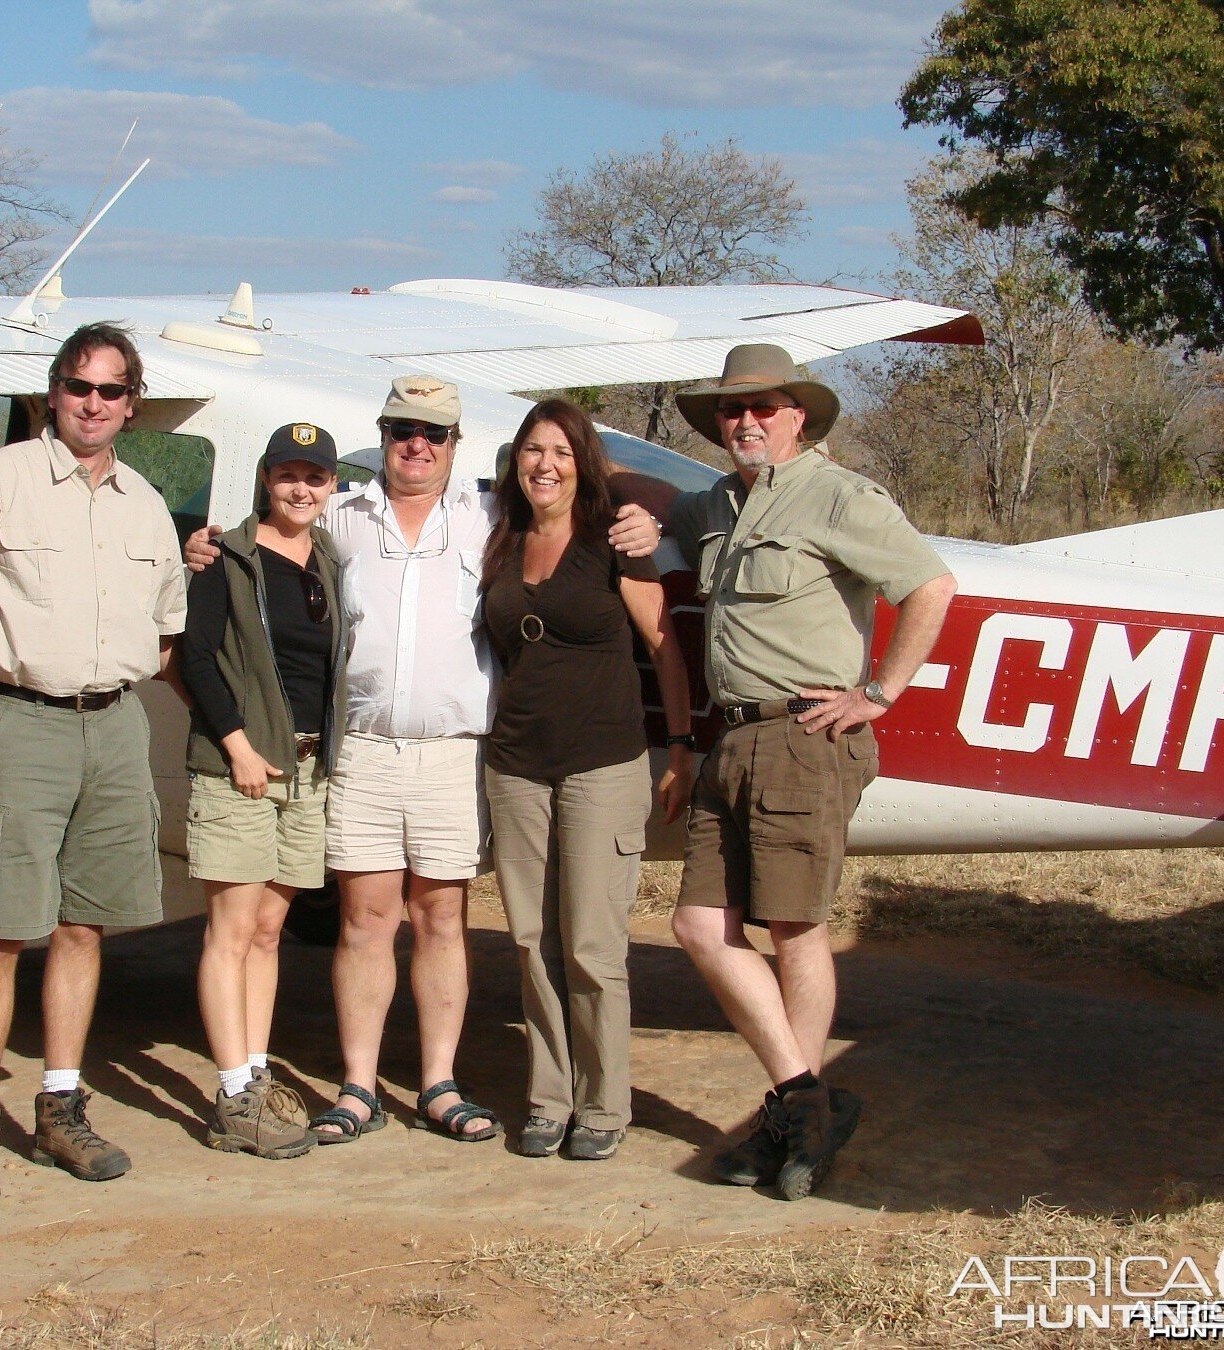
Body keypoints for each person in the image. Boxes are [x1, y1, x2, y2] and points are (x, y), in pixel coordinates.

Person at [184, 375, 659, 1145]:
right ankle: (360, 1087)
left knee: (441, 917)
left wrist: (637, 518)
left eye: (434, 433)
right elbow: (268, 532)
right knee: (365, 921)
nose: (417, 444)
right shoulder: (340, 511)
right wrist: (208, 546)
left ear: (455, 445)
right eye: (403, 428)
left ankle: (438, 1083)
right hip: (364, 749)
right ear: (384, 433)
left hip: (455, 750)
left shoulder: (494, 515)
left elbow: (574, 488)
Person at [624, 343, 956, 1200]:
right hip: (732, 738)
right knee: (699, 926)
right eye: (732, 411)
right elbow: (661, 517)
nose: (746, 422)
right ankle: (805, 1105)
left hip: (804, 735)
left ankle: (791, 1122)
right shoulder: (717, 503)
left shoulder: (842, 496)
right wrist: (634, 524)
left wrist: (877, 692)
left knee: (795, 929)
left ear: (798, 416)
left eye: (763, 407)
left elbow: (930, 587)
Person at [0, 321, 187, 1204]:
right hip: (18, 720)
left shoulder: (146, 505)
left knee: (83, 927)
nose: (93, 404)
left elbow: (171, 639)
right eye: (78, 386)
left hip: (115, 727)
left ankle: (60, 1109)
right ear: (54, 391)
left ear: (131, 405)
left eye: (110, 391)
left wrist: (245, 728)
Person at [480, 399, 695, 1161]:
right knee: (532, 941)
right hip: (515, 767)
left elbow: (663, 643)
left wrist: (679, 742)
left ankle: (604, 1104)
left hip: (602, 763)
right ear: (516, 462)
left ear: (585, 464)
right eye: (533, 451)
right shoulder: (500, 539)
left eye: (563, 453)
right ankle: (548, 1097)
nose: (546, 466)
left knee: (594, 947)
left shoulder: (617, 539)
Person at [179, 423, 346, 1161]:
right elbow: (197, 656)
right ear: (266, 482)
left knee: (270, 932)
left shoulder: (331, 562)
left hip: (308, 772)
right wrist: (238, 745)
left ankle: (254, 1069)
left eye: (315, 477)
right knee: (231, 931)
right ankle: (232, 1093)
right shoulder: (227, 557)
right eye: (287, 475)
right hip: (242, 769)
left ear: (333, 487)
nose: (300, 489)